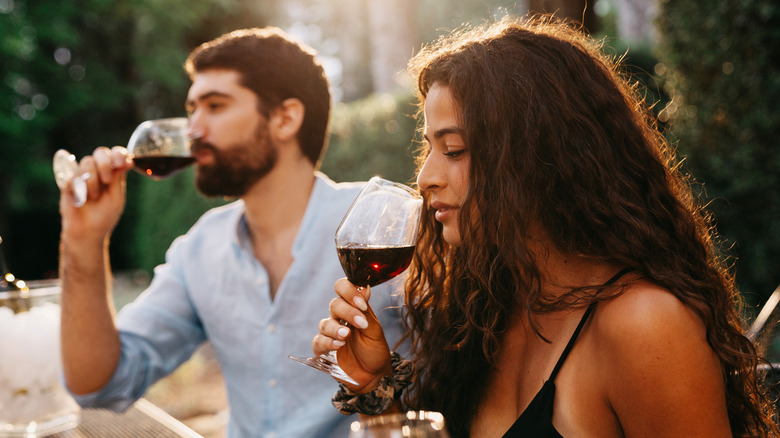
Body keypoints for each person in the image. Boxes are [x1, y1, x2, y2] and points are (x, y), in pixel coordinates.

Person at [312, 15, 779, 438]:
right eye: (429, 149)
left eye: (454, 149)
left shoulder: (644, 324)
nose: (425, 176)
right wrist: (373, 387)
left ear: (536, 157)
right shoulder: (488, 307)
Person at [57, 27, 404, 438]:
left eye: (215, 106)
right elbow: (98, 384)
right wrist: (83, 241)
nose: (193, 130)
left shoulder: (382, 230)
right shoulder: (200, 248)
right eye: (192, 109)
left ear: (285, 118)